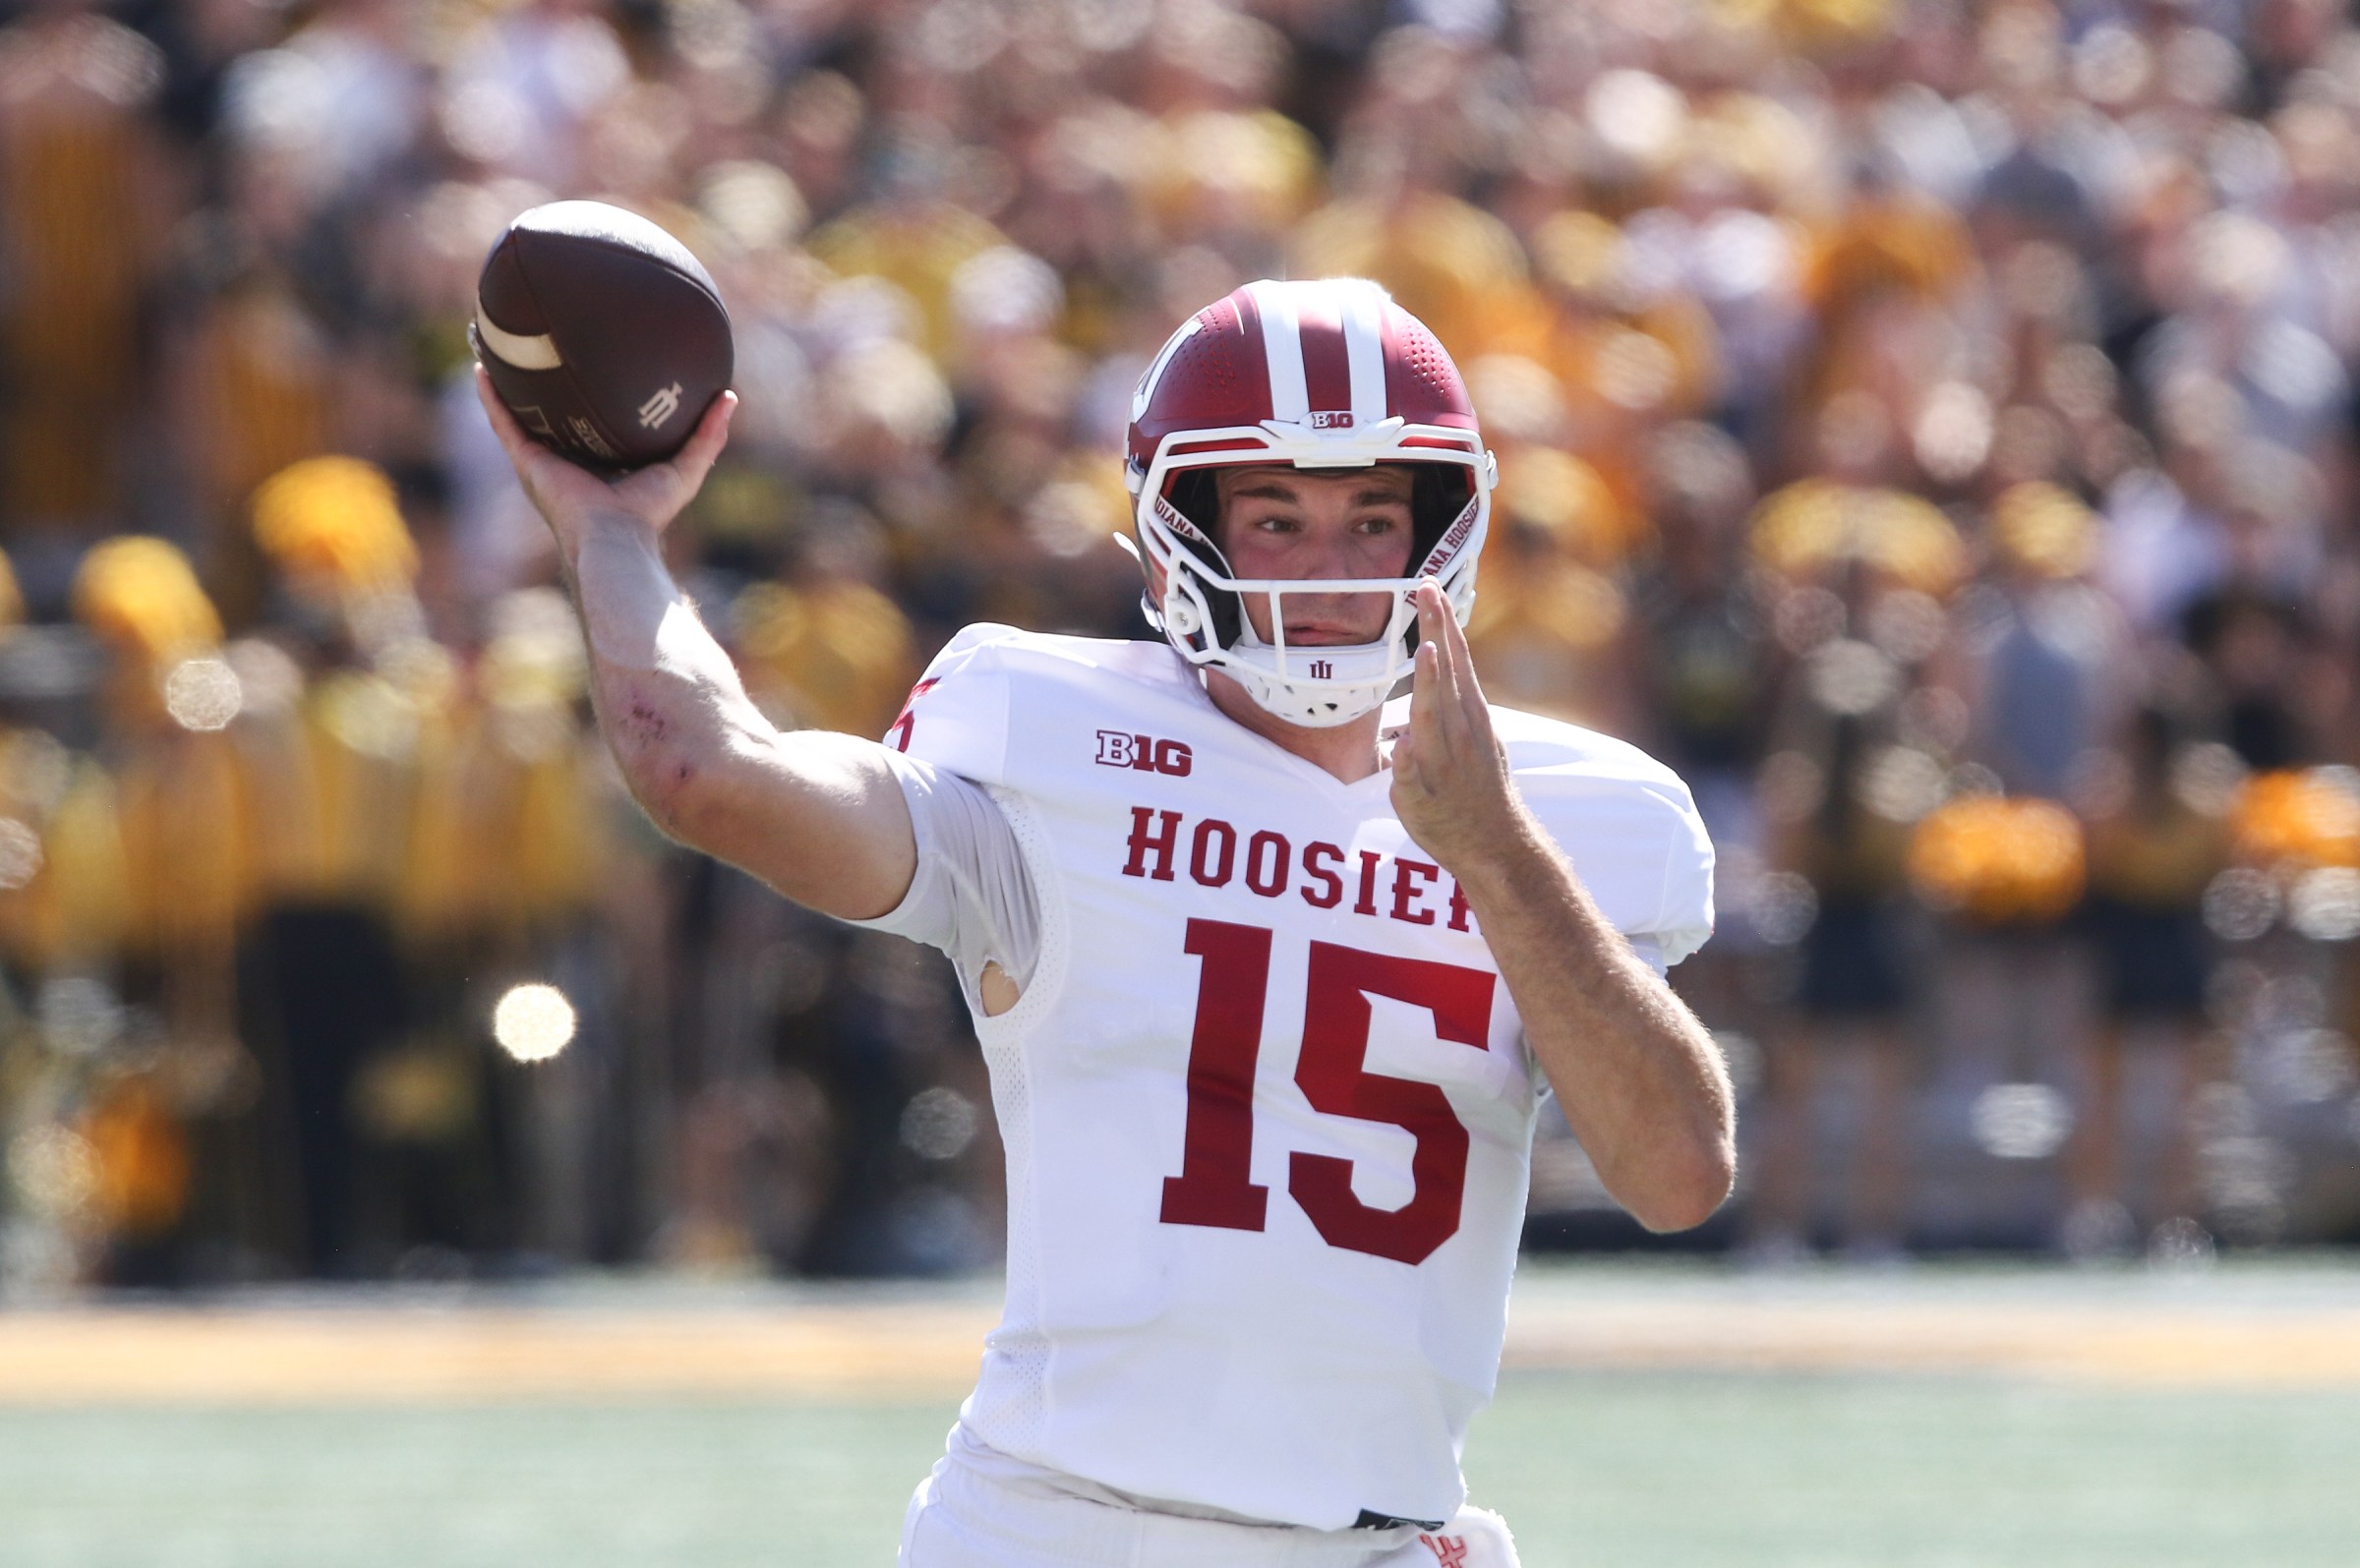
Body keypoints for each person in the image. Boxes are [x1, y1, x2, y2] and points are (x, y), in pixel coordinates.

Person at [479, 276, 1734, 1568]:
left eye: (1371, 518)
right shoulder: (1052, 746)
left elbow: (1679, 1174)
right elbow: (705, 775)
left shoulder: (1561, 813)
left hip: (1380, 1546)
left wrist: (1496, 854)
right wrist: (613, 534)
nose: (1332, 571)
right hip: (1058, 1533)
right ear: (1179, 526)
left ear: (1442, 530)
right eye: (1278, 518)